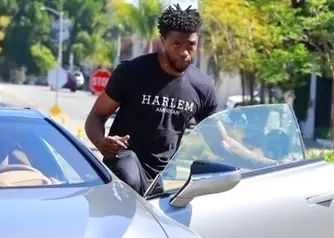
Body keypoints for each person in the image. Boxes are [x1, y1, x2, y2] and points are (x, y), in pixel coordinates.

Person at [84, 5, 271, 195]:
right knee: (130, 177)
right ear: (163, 41)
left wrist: (265, 164)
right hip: (122, 169)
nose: (184, 52)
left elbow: (221, 143)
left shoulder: (203, 86)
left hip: (160, 179)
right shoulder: (131, 72)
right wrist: (101, 142)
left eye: (191, 45)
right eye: (176, 45)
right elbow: (97, 116)